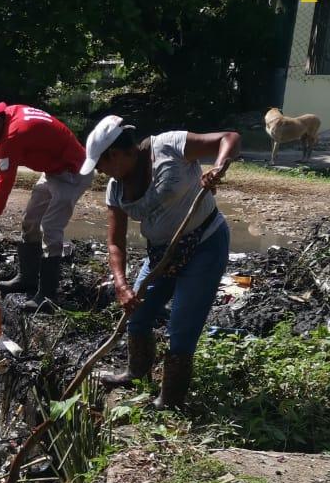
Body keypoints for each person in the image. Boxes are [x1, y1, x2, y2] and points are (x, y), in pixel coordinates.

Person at [80, 115, 240, 409]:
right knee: (137, 315)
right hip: (161, 255)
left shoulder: (168, 146)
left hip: (204, 244)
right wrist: (121, 284)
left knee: (181, 327)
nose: (101, 172)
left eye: (101, 165)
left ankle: (170, 402)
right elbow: (116, 242)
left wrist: (217, 167)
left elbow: (228, 137)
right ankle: (136, 373)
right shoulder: (116, 189)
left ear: (115, 154)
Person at [0, 102, 92, 310]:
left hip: (73, 172)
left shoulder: (15, 133)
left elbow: (5, 184)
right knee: (30, 221)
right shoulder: (6, 117)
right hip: (53, 170)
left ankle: (47, 296)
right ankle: (27, 278)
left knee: (50, 229)